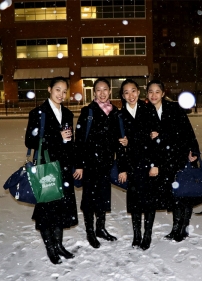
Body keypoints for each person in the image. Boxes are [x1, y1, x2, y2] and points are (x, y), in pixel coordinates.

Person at [25, 76, 78, 264]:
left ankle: (59, 245)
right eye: (58, 90)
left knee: (61, 211)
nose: (61, 94)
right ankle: (50, 248)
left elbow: (70, 143)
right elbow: (30, 141)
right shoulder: (38, 113)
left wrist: (76, 164)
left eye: (64, 91)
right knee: (47, 212)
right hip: (46, 169)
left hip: (63, 169)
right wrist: (56, 136)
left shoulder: (68, 114)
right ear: (49, 89)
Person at [146, 79, 202, 242]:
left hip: (181, 157)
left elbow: (185, 131)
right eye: (150, 91)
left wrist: (194, 151)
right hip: (165, 161)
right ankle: (176, 228)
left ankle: (182, 228)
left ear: (163, 94)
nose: (154, 95)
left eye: (157, 92)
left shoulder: (173, 108)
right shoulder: (147, 112)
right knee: (175, 195)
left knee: (184, 194)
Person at [74, 78, 127, 249]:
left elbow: (120, 140)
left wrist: (121, 161)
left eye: (105, 89)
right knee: (89, 198)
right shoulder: (88, 111)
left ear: (110, 91)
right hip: (90, 164)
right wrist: (80, 164)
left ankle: (100, 228)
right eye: (99, 90)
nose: (102, 93)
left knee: (103, 197)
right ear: (94, 92)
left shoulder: (116, 113)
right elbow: (79, 140)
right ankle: (90, 231)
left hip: (106, 163)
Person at [119, 78, 160, 250]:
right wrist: (122, 168)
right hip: (132, 165)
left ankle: (147, 234)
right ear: (122, 95)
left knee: (149, 202)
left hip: (148, 163)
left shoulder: (149, 110)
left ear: (138, 91)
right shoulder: (120, 115)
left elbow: (157, 139)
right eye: (126, 92)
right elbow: (119, 144)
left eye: (133, 91)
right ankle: (137, 234)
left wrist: (156, 164)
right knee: (135, 202)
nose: (131, 95)